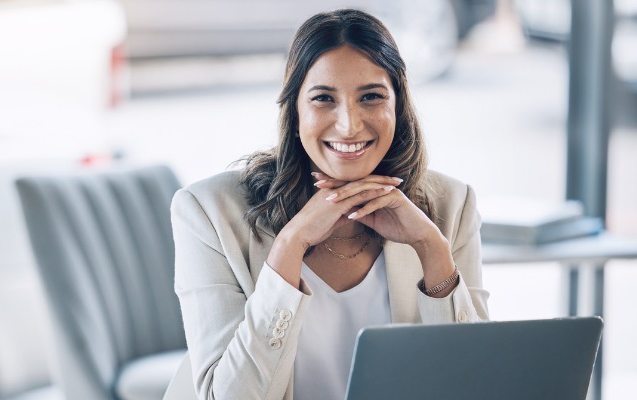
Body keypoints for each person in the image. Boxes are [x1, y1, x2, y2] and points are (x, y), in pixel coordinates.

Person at [170, 9, 489, 400]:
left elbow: (475, 385)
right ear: (295, 110)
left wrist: (431, 247)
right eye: (323, 99)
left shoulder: (451, 205)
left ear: (398, 106)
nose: (349, 125)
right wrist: (290, 247)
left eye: (371, 97)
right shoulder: (208, 212)